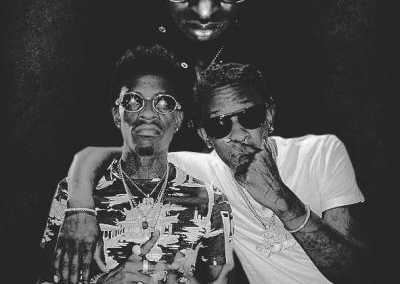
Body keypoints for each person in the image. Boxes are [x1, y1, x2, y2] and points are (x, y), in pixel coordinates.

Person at [56, 61, 372, 283]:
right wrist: (80, 208)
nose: (238, 134)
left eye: (249, 116)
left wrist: (283, 202)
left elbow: (357, 273)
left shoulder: (320, 152)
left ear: (270, 115)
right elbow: (109, 154)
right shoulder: (205, 171)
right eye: (220, 125)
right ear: (206, 136)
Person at [37, 45, 233, 284]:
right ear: (116, 114)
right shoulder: (73, 196)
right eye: (132, 101)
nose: (148, 113)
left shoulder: (210, 201)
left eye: (164, 103)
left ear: (178, 119)